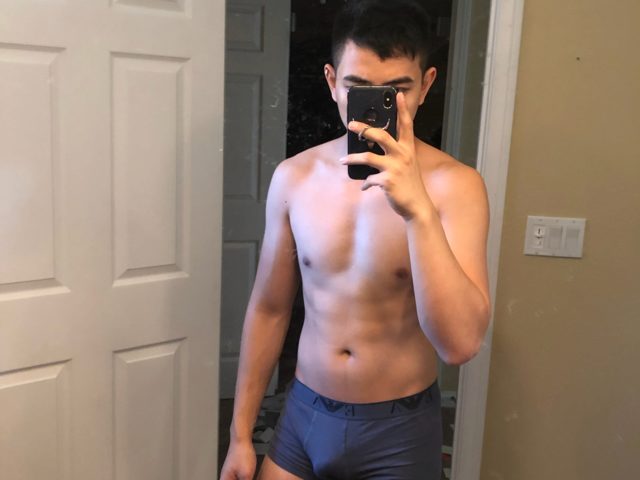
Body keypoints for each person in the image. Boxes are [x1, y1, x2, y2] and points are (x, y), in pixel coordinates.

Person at [220, 0, 490, 478]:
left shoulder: (456, 186)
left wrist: (418, 213)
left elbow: (460, 345)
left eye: (397, 90)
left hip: (399, 430)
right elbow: (269, 309)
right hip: (303, 415)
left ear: (427, 85)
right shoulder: (294, 177)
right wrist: (240, 434)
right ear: (331, 82)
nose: (377, 107)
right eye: (357, 88)